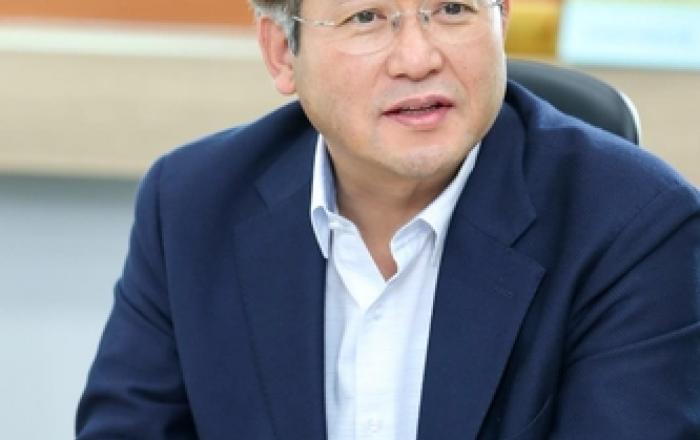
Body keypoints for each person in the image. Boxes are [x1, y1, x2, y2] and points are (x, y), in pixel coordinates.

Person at [76, 0, 700, 438]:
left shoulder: (635, 228)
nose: (418, 58)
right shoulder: (192, 205)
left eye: (452, 9)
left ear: (502, 18)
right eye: (367, 17)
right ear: (282, 53)